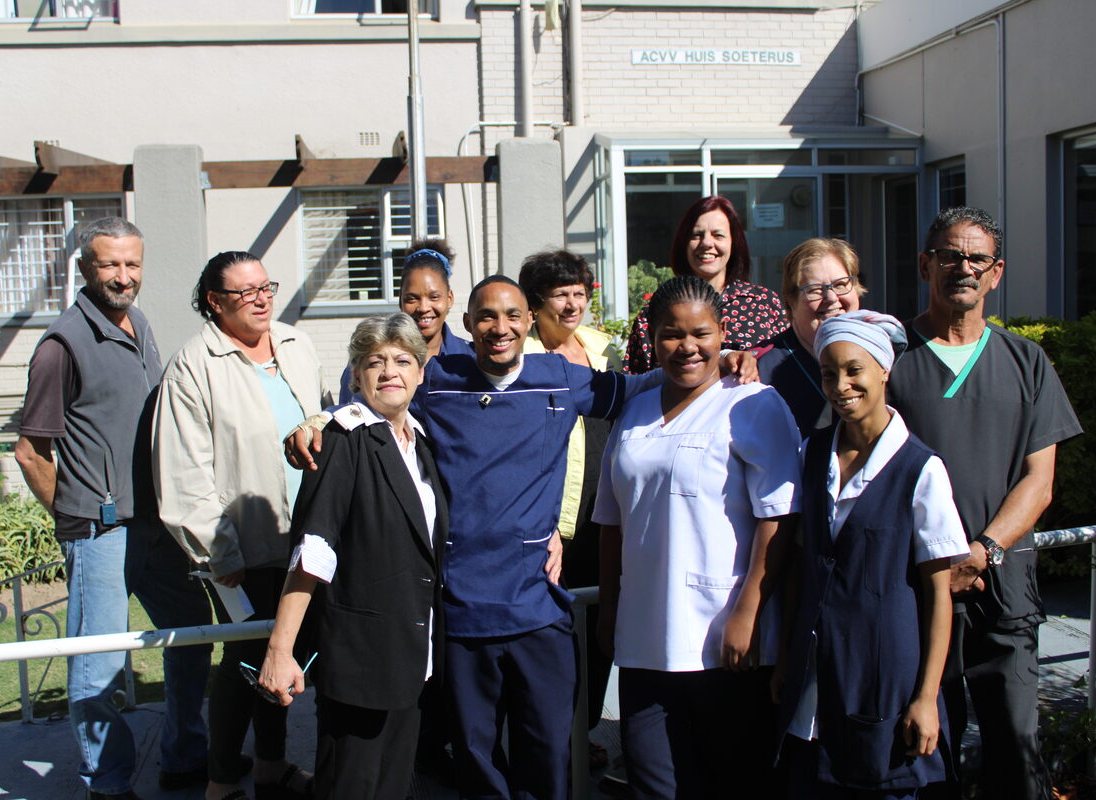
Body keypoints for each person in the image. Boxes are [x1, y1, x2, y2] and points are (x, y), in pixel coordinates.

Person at [287, 276, 747, 799]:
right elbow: (375, 401)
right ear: (467, 324)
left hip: (538, 609)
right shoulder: (437, 378)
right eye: (486, 316)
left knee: (548, 758)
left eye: (512, 315)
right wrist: (317, 420)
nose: (499, 327)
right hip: (462, 611)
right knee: (477, 759)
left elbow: (642, 385)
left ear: (530, 321)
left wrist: (730, 358)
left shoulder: (560, 378)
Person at [13, 217, 213, 800]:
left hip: (157, 525)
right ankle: (107, 782)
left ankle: (184, 757)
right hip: (100, 532)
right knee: (95, 667)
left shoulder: (138, 323)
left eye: (132, 264)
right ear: (85, 268)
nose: (123, 276)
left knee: (191, 639)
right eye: (110, 265)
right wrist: (73, 516)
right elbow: (30, 452)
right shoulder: (61, 346)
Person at [887, 207, 1082, 800]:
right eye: (950, 256)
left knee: (1016, 753)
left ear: (996, 274)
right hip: (915, 588)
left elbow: (1039, 481)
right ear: (926, 264)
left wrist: (983, 550)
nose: (963, 268)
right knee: (924, 751)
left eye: (978, 259)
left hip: (1003, 587)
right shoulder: (890, 357)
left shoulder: (1026, 361)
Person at [593, 274, 802, 800]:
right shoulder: (635, 412)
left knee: (730, 782)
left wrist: (748, 613)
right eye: (671, 333)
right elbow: (612, 521)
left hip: (723, 638)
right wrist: (609, 610)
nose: (687, 346)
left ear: (722, 334)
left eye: (701, 333)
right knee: (653, 783)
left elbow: (780, 517)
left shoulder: (753, 403)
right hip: (644, 638)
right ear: (652, 338)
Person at [776, 310, 969, 799]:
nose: (841, 385)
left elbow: (939, 595)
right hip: (814, 672)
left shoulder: (920, 469)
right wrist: (786, 660)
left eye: (854, 370)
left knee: (880, 779)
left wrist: (927, 697)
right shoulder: (811, 453)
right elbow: (801, 564)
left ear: (884, 370)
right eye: (828, 373)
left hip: (884, 674)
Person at [153, 251, 324, 800]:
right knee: (245, 658)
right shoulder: (193, 364)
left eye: (266, 287)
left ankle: (271, 767)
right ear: (214, 301)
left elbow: (321, 417)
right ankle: (221, 781)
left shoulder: (295, 344)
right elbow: (183, 471)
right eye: (246, 292)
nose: (261, 299)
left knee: (285, 653)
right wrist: (218, 552)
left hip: (304, 538)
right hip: (242, 547)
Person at [256, 313, 448, 800]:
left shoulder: (420, 442)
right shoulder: (343, 439)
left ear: (420, 371)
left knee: (393, 788)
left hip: (411, 657)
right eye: (374, 362)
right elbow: (313, 552)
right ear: (357, 375)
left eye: (402, 360)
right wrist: (280, 650)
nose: (389, 372)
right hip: (362, 660)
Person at [518, 249, 622, 769]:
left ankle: (581, 732)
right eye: (561, 294)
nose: (573, 303)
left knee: (600, 628)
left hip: (605, 516)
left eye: (580, 292)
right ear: (536, 303)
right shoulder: (522, 357)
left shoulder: (605, 350)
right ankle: (547, 740)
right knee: (550, 637)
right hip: (549, 521)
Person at [624, 195, 788, 373]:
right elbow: (636, 380)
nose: (707, 243)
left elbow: (787, 365)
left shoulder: (764, 303)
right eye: (697, 235)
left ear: (734, 242)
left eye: (718, 235)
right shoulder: (656, 311)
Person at [337, 238, 471, 403]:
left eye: (434, 297)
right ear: (400, 301)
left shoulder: (471, 358)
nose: (423, 307)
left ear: (449, 298)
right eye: (412, 298)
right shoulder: (367, 363)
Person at [757, 238, 867, 438]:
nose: (832, 298)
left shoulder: (879, 355)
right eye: (815, 290)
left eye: (841, 285)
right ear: (790, 302)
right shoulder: (760, 371)